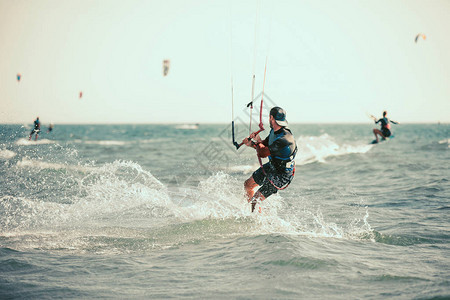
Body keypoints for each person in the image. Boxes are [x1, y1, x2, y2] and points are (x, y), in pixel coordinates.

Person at [243, 107, 297, 212]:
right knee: (248, 185)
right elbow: (264, 146)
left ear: (271, 118)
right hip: (273, 166)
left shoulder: (284, 139)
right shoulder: (274, 131)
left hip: (282, 173)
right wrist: (252, 144)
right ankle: (252, 212)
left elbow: (262, 153)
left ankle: (258, 221)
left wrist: (257, 140)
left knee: (256, 200)